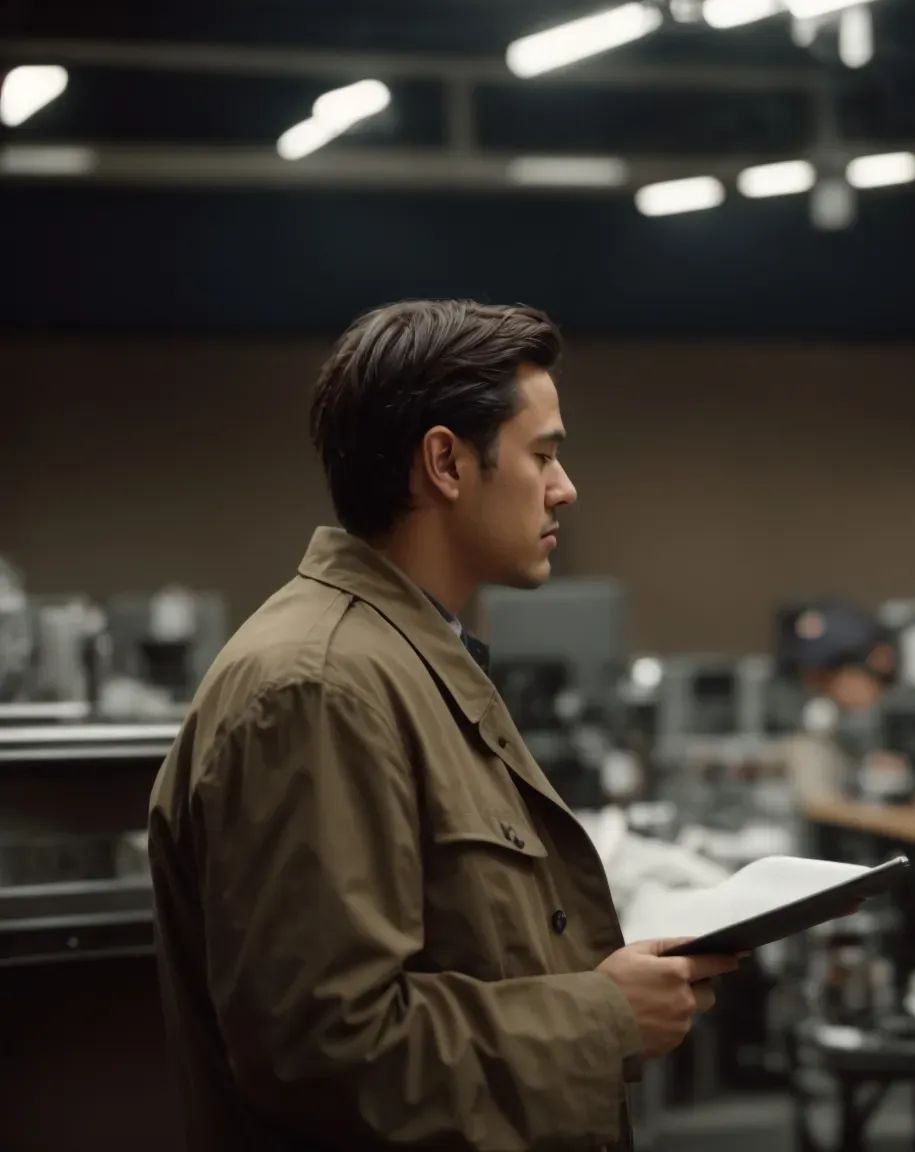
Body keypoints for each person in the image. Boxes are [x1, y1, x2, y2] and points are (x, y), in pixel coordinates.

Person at [147, 300, 740, 1150]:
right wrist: (605, 1018)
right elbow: (327, 1054)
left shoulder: (405, 661)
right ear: (446, 463)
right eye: (543, 455)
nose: (565, 488)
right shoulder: (322, 689)